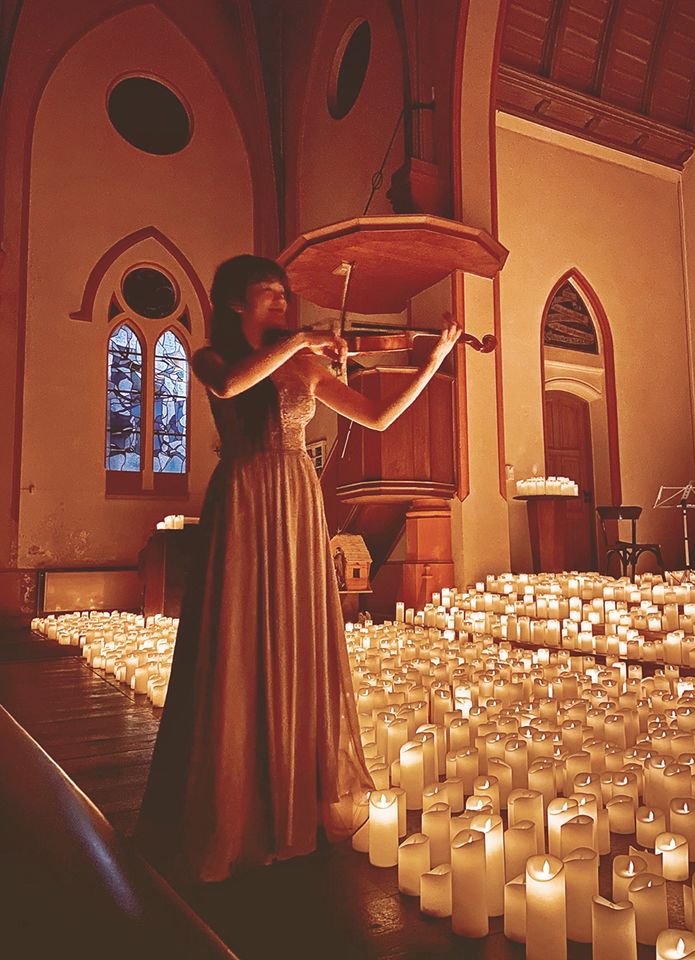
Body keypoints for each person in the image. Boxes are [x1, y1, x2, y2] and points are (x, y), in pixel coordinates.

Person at [134, 254, 461, 882]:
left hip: (297, 500)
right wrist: (302, 342)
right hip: (245, 496)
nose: (284, 304)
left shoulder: (305, 362)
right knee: (235, 640)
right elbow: (231, 387)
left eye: (286, 296)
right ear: (236, 303)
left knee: (296, 639)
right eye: (271, 295)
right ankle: (232, 809)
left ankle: (294, 800)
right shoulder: (214, 358)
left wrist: (435, 360)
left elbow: (379, 416)